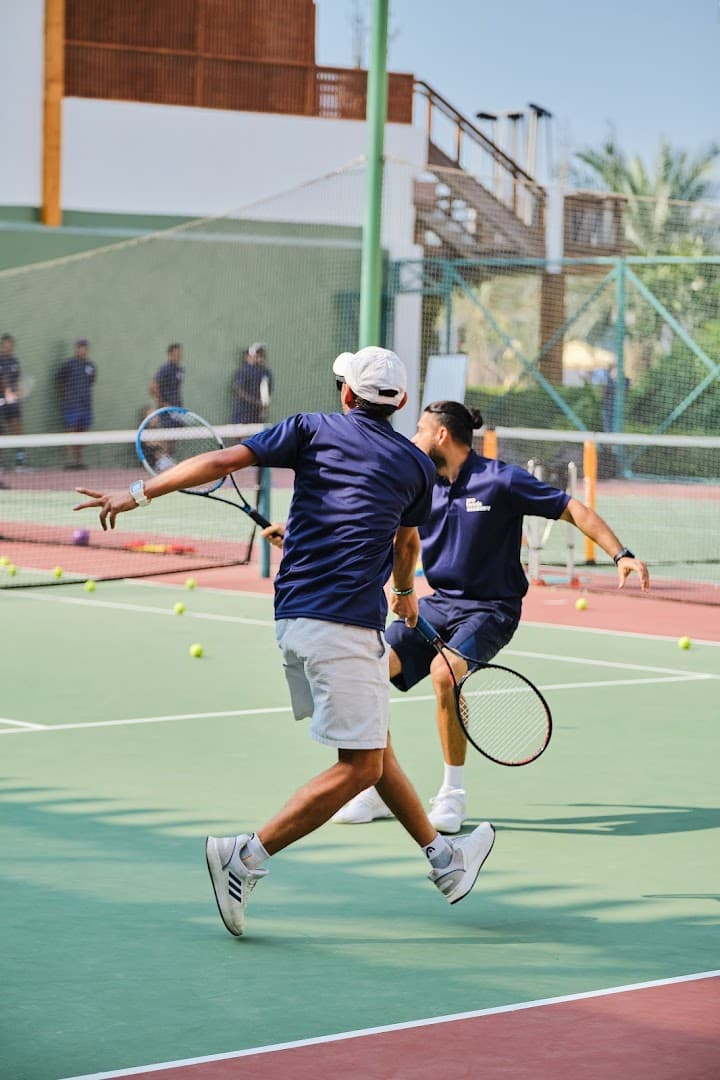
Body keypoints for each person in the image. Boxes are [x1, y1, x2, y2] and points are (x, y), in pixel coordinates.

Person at [73, 349, 497, 938]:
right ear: (401, 403)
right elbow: (405, 545)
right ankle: (244, 857)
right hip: (344, 626)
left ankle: (444, 859)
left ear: (346, 394)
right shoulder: (417, 467)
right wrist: (404, 593)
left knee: (376, 749)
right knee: (360, 767)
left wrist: (138, 493)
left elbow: (223, 461)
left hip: (296, 619)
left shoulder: (309, 428)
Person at [333, 400, 650, 834]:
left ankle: (453, 795)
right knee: (368, 669)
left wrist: (620, 553)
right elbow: (378, 530)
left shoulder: (500, 480)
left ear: (442, 434)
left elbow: (572, 508)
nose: (414, 438)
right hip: (439, 603)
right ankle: (375, 785)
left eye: (421, 429)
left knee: (445, 675)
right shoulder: (420, 483)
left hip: (492, 609)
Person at [55, 339, 97, 468]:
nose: (82, 350)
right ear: (76, 349)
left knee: (81, 434)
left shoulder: (91, 366)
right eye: (79, 347)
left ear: (87, 349)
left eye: (84, 347)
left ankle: (79, 461)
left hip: (86, 406)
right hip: (72, 405)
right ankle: (70, 461)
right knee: (71, 432)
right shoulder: (69, 365)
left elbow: (91, 382)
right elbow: (58, 380)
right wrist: (65, 396)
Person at [0, 332, 26, 468]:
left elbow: (15, 380)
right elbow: (2, 379)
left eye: (10, 346)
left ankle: (20, 461)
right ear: (1, 346)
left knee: (17, 428)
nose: (7, 348)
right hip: (1, 400)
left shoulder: (15, 361)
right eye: (5, 346)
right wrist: (7, 392)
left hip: (12, 401)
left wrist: (17, 395)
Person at [231, 342, 272, 424]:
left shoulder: (266, 373)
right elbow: (238, 390)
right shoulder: (244, 371)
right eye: (257, 355)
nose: (260, 357)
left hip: (257, 416)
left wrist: (264, 409)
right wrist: (255, 402)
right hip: (242, 415)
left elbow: (266, 393)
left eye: (262, 355)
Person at [149, 342, 184, 409]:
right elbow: (152, 387)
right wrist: (162, 403)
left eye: (180, 353)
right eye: (176, 353)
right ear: (170, 354)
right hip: (166, 409)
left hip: (177, 407)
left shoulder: (180, 370)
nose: (179, 355)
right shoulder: (165, 368)